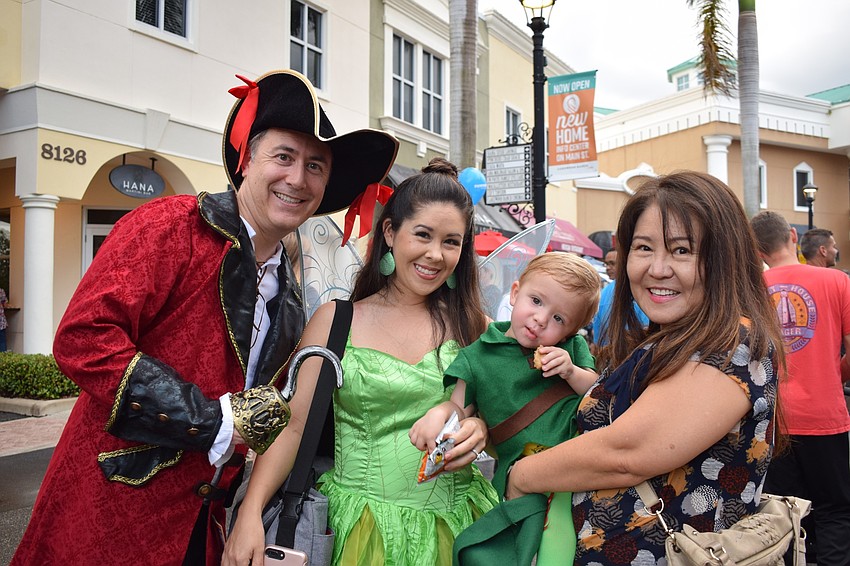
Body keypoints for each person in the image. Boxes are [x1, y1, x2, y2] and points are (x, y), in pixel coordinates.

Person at [12, 69, 398, 565]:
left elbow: (263, 412)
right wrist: (212, 419)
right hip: (111, 517)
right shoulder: (170, 225)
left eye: (316, 166)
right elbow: (83, 339)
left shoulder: (293, 298)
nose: (297, 179)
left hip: (204, 528)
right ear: (247, 159)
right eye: (284, 156)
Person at [224, 157, 500, 566]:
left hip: (458, 528)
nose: (435, 255)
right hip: (358, 531)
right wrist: (250, 511)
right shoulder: (335, 321)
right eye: (422, 235)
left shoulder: (476, 327)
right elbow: (293, 423)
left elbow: (500, 421)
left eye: (451, 242)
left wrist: (478, 429)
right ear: (390, 232)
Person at [504, 171, 784, 565]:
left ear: (725, 259)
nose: (657, 268)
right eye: (644, 248)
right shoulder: (669, 337)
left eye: (682, 251)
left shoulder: (731, 343)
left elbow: (625, 452)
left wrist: (521, 475)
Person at [412, 251, 600, 564]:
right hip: (524, 478)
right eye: (536, 301)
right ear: (515, 293)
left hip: (579, 463)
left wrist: (570, 371)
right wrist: (436, 416)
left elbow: (595, 391)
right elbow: (458, 409)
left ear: (570, 331)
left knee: (563, 548)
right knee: (519, 552)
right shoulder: (477, 356)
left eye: (559, 319)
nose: (541, 319)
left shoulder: (569, 349)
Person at [750, 210, 850, 566]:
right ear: (793, 235)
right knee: (835, 508)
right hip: (825, 415)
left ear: (758, 251)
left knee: (785, 512)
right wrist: (832, 375)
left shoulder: (753, 290)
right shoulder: (837, 281)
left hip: (773, 418)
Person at [590, 248, 648, 353]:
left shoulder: (636, 289)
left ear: (624, 262)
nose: (608, 268)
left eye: (612, 264)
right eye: (606, 264)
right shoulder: (604, 293)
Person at [0, 286, 7, 352]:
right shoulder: (1, 290)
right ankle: (3, 359)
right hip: (1, 321)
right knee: (2, 341)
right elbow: (5, 304)